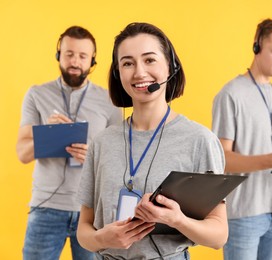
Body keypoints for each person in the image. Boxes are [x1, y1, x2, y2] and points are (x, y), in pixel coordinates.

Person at [76, 22, 228, 260]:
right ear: (118, 73)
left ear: (170, 66)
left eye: (149, 60)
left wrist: (177, 220)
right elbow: (83, 229)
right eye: (127, 63)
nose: (138, 72)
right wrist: (102, 239)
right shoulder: (102, 142)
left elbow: (218, 236)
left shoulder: (200, 140)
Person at [16, 26, 122, 260]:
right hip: (45, 207)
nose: (75, 61)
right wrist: (47, 133)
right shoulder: (36, 94)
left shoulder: (110, 101)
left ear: (92, 61)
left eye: (82, 56)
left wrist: (93, 156)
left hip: (92, 212)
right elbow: (22, 153)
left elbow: (120, 161)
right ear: (58, 55)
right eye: (69, 54)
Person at [212, 18, 272, 260]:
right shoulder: (230, 94)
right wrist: (270, 161)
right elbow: (221, 160)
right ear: (257, 48)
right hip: (244, 214)